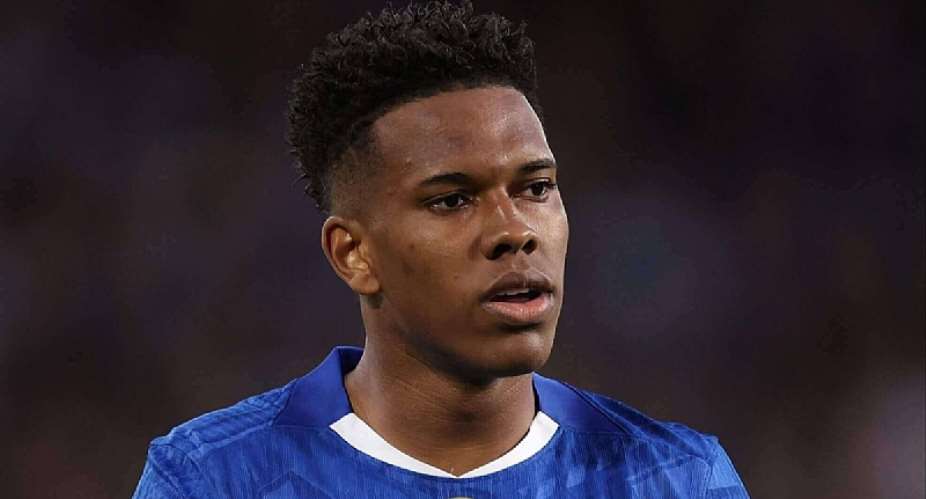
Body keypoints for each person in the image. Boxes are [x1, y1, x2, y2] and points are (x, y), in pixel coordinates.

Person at [132, 2, 750, 497]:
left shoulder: (678, 479)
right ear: (353, 254)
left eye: (536, 188)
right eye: (453, 200)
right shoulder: (211, 479)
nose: (514, 230)